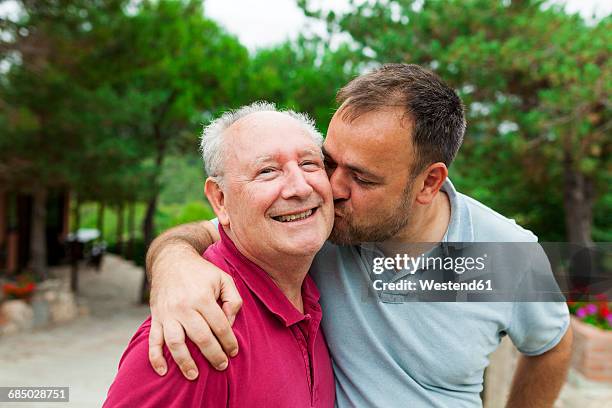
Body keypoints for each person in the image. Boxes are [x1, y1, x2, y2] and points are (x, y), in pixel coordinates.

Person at [145, 64, 572, 407]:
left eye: (363, 178)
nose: (331, 189)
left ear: (428, 183)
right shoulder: (319, 226)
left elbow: (552, 343)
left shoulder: (508, 255)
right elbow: (206, 232)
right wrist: (172, 264)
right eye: (330, 163)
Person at [104, 102, 336, 407]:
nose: (300, 187)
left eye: (309, 164)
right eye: (267, 171)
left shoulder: (313, 294)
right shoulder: (197, 332)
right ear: (221, 200)